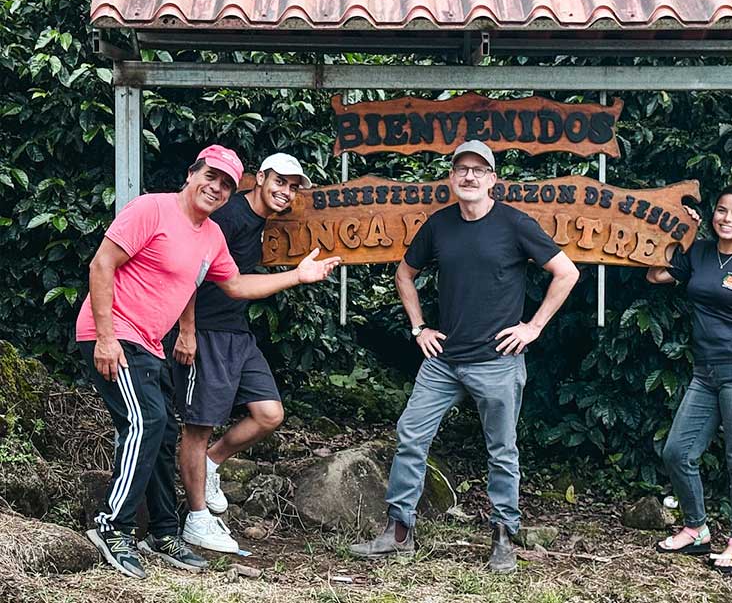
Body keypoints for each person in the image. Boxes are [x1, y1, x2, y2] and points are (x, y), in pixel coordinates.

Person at [76, 145, 340, 579]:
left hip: (148, 341)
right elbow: (102, 263)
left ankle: (162, 532)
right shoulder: (152, 209)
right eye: (211, 177)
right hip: (111, 332)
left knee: (160, 433)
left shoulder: (211, 236)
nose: (216, 188)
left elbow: (234, 285)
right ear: (192, 172)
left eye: (226, 184)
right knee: (146, 422)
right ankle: (113, 525)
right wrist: (106, 338)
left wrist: (297, 276)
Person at [348, 140, 579, 573]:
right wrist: (419, 328)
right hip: (443, 360)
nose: (469, 176)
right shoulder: (439, 225)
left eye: (479, 170)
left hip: (497, 361)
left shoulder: (514, 224)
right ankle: (399, 533)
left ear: (493, 179)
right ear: (451, 177)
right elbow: (404, 273)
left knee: (501, 450)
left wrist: (533, 328)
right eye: (461, 169)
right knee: (411, 435)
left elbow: (567, 272)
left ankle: (504, 539)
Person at [165, 153, 313, 554]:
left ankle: (211, 465)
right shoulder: (226, 216)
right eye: (279, 182)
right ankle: (197, 520)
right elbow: (188, 273)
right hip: (206, 331)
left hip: (237, 332)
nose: (286, 192)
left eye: (293, 187)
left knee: (269, 414)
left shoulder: (260, 222)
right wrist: (187, 330)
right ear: (260, 178)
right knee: (199, 425)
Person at [647, 185, 732, 574]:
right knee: (677, 451)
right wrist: (684, 235)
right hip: (704, 373)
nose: (728, 219)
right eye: (722, 211)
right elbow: (656, 274)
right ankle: (696, 529)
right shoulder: (701, 253)